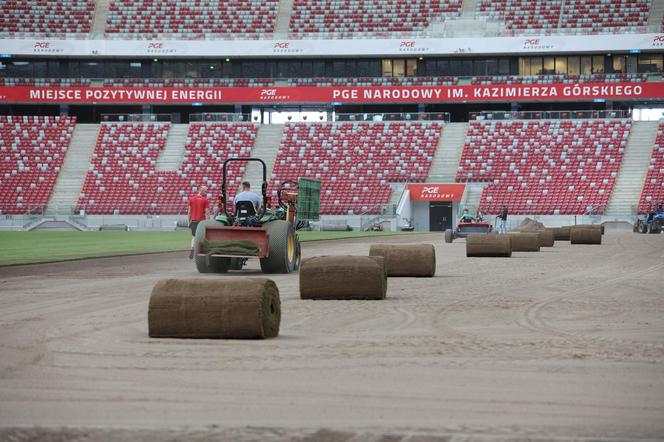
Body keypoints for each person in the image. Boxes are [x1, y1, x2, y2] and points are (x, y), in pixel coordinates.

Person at [187, 185, 210, 259]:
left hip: (193, 220)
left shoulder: (192, 199)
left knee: (194, 236)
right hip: (201, 221)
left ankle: (192, 249)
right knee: (203, 236)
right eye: (205, 191)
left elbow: (189, 212)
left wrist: (188, 221)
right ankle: (201, 250)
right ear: (201, 190)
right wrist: (208, 222)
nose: (206, 192)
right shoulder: (205, 200)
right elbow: (207, 213)